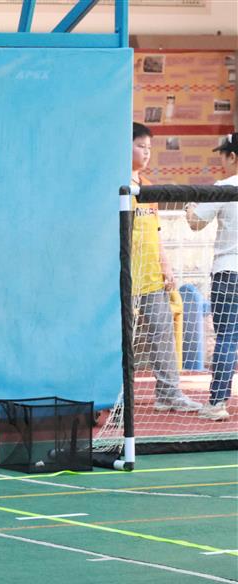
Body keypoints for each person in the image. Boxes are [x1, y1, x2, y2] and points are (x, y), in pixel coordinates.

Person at [130, 123, 202, 414]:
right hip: (122, 277)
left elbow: (155, 232)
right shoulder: (115, 186)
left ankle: (168, 394)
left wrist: (165, 265)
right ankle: (115, 397)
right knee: (120, 340)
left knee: (162, 334)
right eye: (141, 146)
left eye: (149, 148)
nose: (146, 153)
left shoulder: (148, 187)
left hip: (151, 276)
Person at [186, 132, 238, 421]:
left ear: (233, 157)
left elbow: (195, 223)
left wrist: (188, 207)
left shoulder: (225, 186)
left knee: (227, 338)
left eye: (224, 155)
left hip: (228, 272)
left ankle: (218, 403)